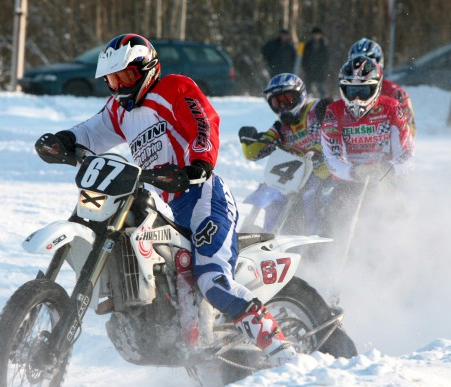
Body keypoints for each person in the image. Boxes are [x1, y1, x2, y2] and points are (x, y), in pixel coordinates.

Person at [33, 33, 295, 365]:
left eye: (125, 76)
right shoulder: (119, 109)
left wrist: (198, 165)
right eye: (113, 79)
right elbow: (92, 131)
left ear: (148, 69)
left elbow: (203, 123)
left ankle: (284, 352)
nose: (119, 86)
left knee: (211, 279)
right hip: (164, 204)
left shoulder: (172, 88)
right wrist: (63, 140)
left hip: (201, 195)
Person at [239, 73, 332, 235]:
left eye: (287, 100)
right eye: (277, 102)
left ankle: (315, 239)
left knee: (310, 197)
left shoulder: (316, 110)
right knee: (268, 193)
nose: (283, 107)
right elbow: (255, 152)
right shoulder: (280, 128)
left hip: (324, 174)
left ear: (300, 96)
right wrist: (249, 140)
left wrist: (331, 110)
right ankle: (263, 237)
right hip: (291, 178)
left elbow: (339, 125)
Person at [321, 55, 414, 185]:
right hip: (346, 183)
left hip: (384, 181)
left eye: (364, 91)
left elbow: (406, 154)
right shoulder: (334, 112)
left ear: (377, 88)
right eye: (352, 91)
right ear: (342, 89)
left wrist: (388, 169)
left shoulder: (391, 109)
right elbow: (331, 158)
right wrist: (355, 171)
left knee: (397, 204)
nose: (357, 99)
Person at [348, 37, 416, 137]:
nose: (361, 69)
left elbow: (409, 131)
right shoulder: (347, 89)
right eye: (356, 64)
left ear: (378, 64)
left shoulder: (395, 93)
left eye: (367, 64)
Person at [301, 27, 329, 98]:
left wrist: (324, 69)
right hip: (309, 71)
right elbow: (304, 58)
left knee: (321, 89)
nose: (316, 36)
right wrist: (305, 68)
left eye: (318, 34)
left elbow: (326, 59)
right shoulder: (308, 45)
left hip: (320, 71)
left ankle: (324, 102)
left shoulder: (324, 45)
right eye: (315, 34)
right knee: (307, 90)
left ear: (321, 35)